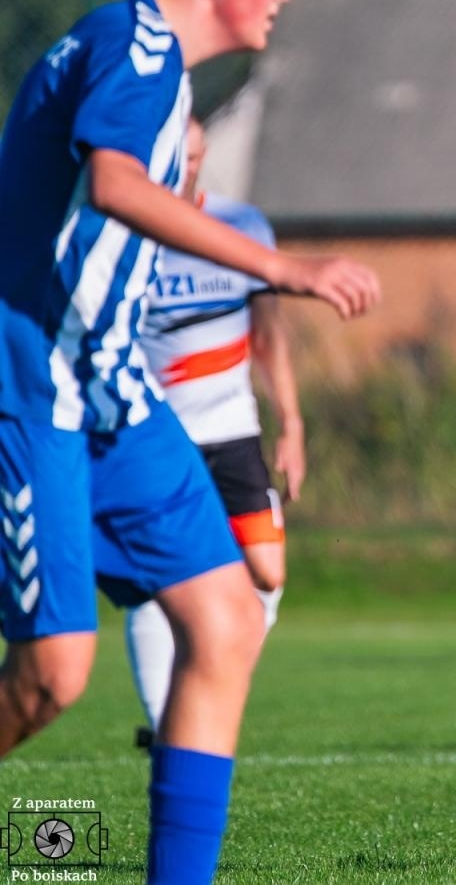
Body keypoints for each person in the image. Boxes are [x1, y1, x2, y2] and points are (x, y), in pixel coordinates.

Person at [0, 0, 379, 884]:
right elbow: (116, 183)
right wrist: (284, 267)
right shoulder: (138, 48)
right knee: (51, 678)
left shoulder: (154, 66)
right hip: (38, 386)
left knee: (224, 624)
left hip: (113, 386)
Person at [127, 116, 303, 743]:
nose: (190, 163)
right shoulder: (126, 234)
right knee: (156, 579)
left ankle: (207, 680)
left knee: (268, 573)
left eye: (197, 152)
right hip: (156, 437)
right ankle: (165, 721)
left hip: (233, 432)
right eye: (179, 152)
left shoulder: (241, 225)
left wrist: (292, 422)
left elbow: (270, 332)